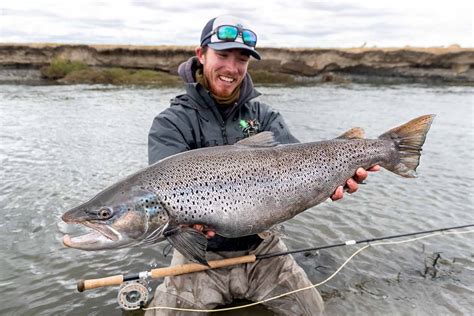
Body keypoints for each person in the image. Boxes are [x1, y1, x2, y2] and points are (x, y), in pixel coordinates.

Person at [145, 15, 378, 316]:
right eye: (223, 55)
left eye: (241, 59)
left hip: (263, 247)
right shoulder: (171, 122)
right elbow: (159, 195)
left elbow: (303, 165)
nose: (232, 68)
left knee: (313, 311)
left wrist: (338, 177)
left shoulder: (264, 116)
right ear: (201, 55)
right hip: (198, 254)